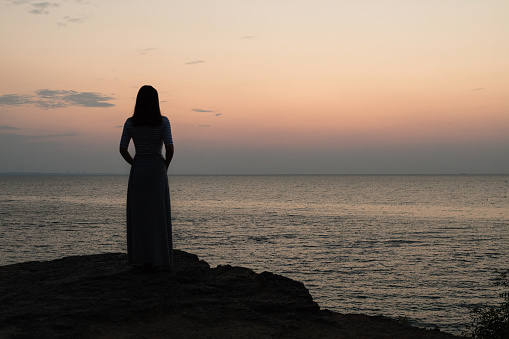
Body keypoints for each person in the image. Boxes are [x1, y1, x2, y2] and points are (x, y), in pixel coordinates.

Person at [119, 85, 174, 268]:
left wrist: (134, 162)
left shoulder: (130, 123)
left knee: (139, 215)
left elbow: (122, 148)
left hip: (139, 170)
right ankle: (159, 257)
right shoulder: (163, 122)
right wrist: (164, 165)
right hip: (157, 169)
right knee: (158, 214)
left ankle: (139, 257)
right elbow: (170, 148)